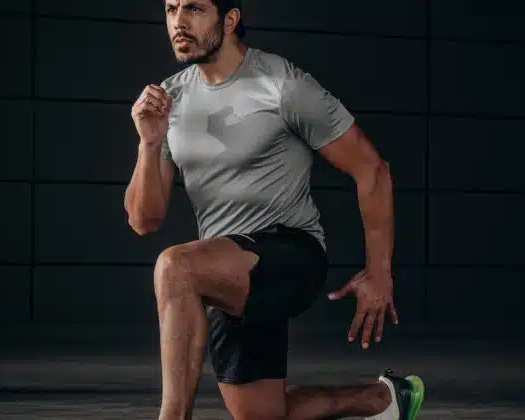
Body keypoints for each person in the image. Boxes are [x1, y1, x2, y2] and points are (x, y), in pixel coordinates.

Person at [123, 0, 425, 419]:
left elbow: (372, 168)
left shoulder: (282, 84)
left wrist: (379, 273)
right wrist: (150, 142)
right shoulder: (170, 98)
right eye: (171, 9)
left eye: (194, 8)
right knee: (262, 415)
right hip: (225, 271)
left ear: (230, 20)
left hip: (292, 255)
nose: (179, 22)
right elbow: (143, 219)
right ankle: (385, 398)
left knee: (174, 267)